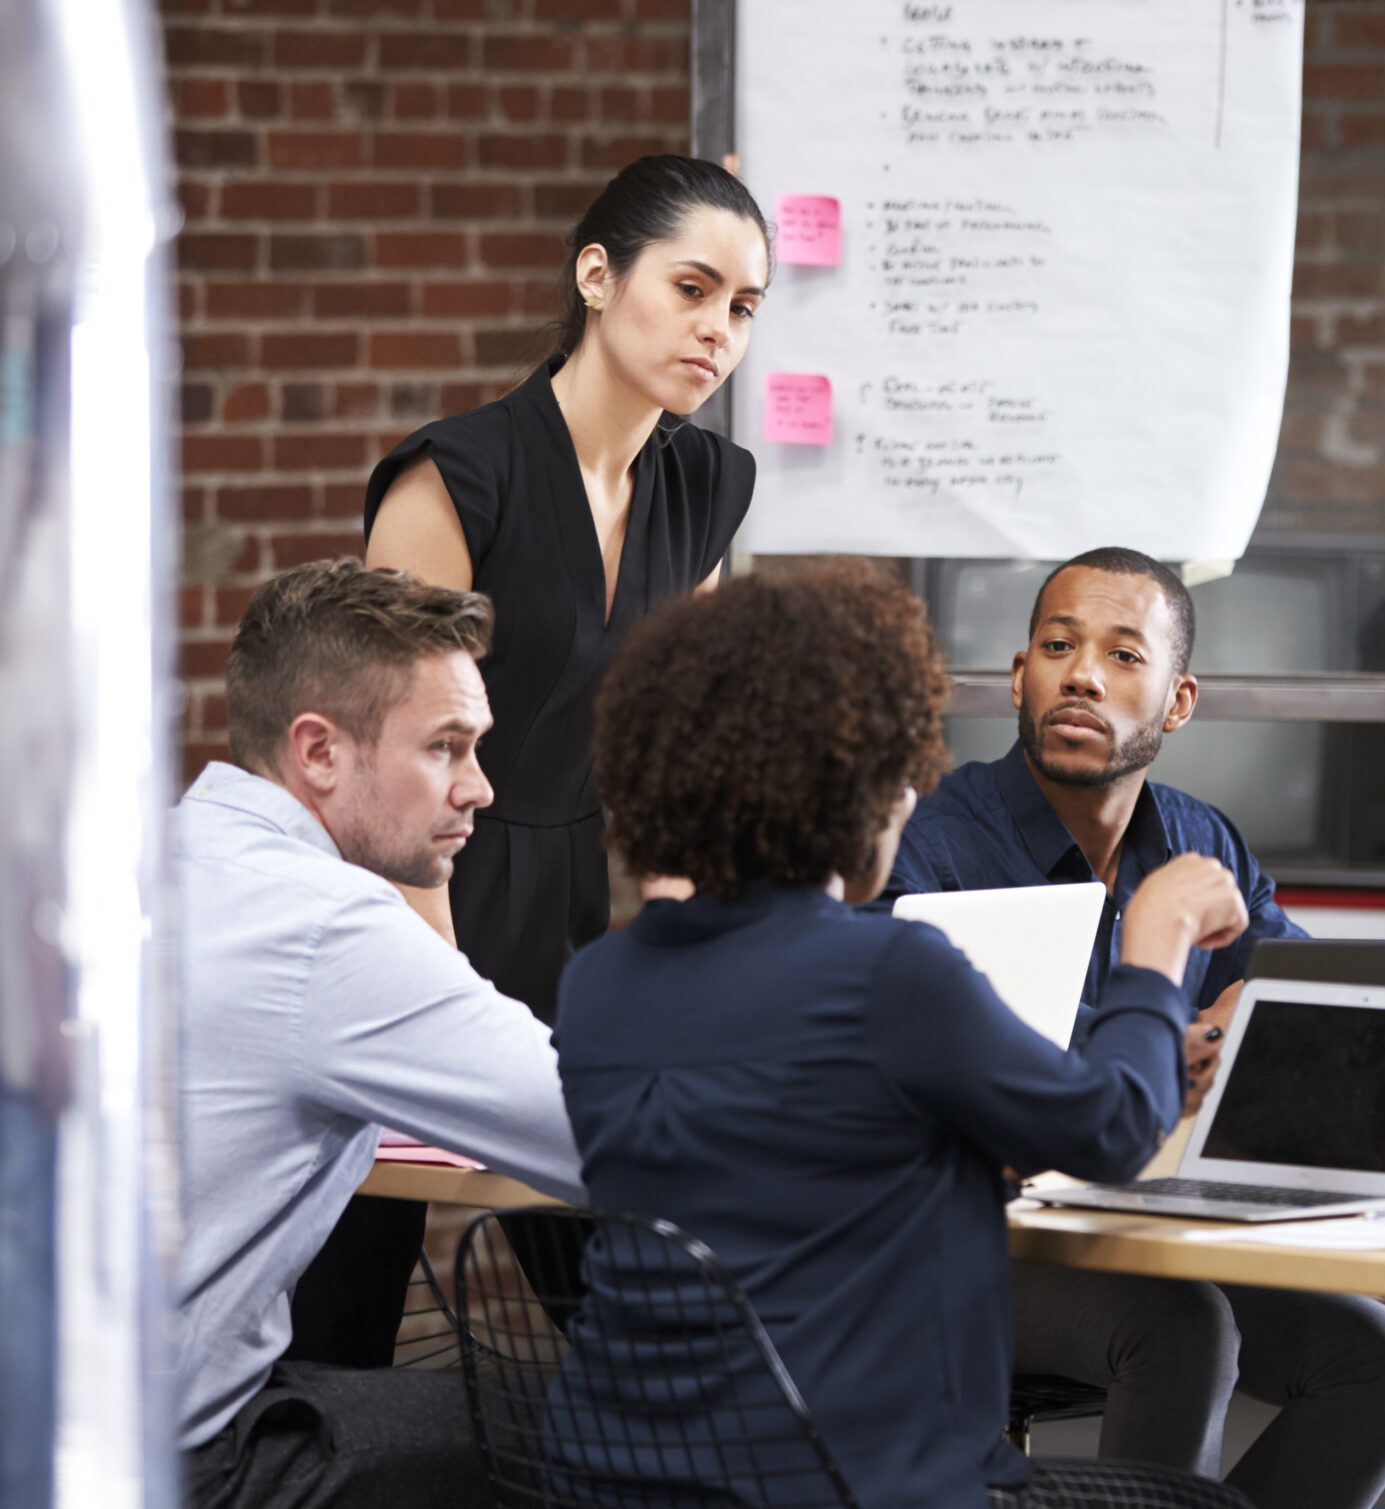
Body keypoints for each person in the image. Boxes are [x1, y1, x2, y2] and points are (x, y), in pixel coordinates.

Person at [552, 563, 1250, 1509]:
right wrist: (1152, 947)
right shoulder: (893, 973)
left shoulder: (597, 981)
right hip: (867, 1485)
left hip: (622, 1481)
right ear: (852, 789)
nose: (913, 795)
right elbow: (1114, 1129)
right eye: (897, 768)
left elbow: (799, 1152)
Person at [880, 546, 1385, 1509]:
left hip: (1129, 1226)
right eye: (1057, 646)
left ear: (1178, 702)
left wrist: (1231, 1031)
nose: (1082, 674)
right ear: (1020, 676)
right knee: (1182, 1328)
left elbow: (1302, 999)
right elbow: (942, 1064)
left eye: (1123, 655)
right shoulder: (930, 844)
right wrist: (1155, 1042)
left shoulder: (1197, 839)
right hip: (953, 1241)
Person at [332, 153, 766, 1372]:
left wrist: (702, 951)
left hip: (571, 904)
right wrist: (444, 997)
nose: (716, 329)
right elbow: (390, 762)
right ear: (596, 274)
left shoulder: (706, 483)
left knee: (627, 1309)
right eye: (690, 287)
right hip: (405, 896)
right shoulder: (458, 475)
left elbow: (675, 751)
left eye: (742, 306)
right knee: (350, 1306)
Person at [174, 560, 588, 1509]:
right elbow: (602, 1126)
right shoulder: (326, 922)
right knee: (630, 1422)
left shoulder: (168, 852)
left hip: (63, 1425)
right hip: (180, 1461)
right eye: (445, 747)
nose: (478, 788)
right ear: (318, 751)